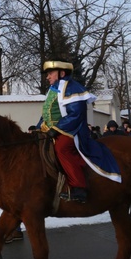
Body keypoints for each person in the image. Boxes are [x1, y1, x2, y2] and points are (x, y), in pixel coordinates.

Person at [37, 60, 122, 204]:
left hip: (72, 130)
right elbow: (47, 113)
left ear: (61, 73)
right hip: (55, 130)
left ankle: (79, 188)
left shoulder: (73, 88)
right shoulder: (53, 90)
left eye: (50, 73)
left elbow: (76, 114)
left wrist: (57, 129)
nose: (47, 77)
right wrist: (38, 127)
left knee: (62, 148)